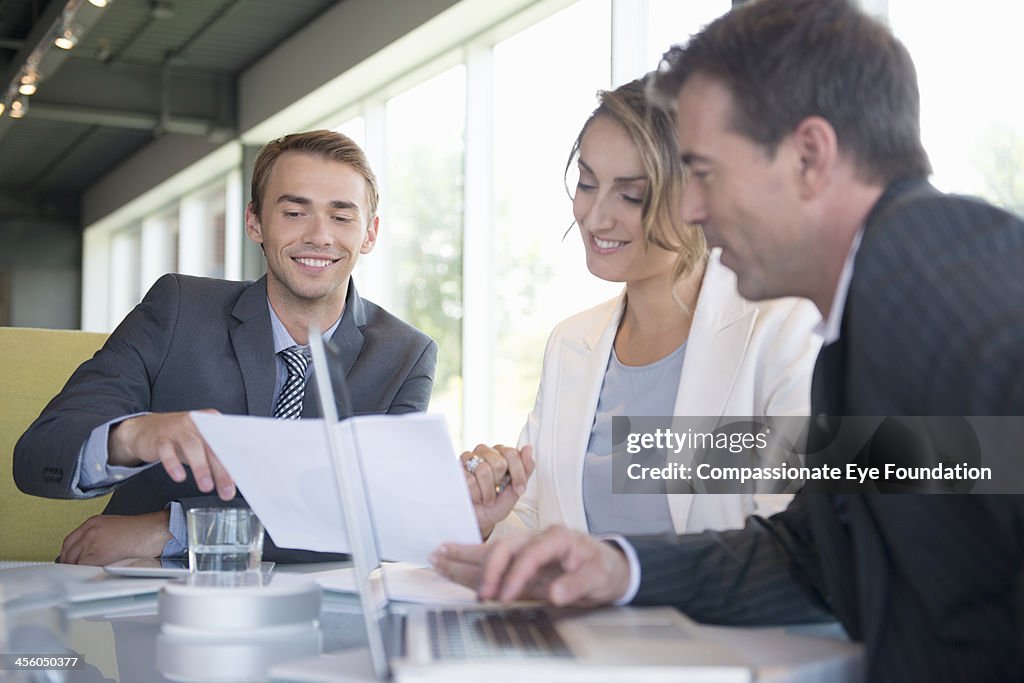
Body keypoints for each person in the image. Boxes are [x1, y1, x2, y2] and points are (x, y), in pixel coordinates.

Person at [432, 0, 1024, 680]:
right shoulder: (869, 307)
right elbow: (815, 552)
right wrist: (620, 564)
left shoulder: (942, 293)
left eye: (705, 172)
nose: (687, 209)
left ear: (809, 156)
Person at [14, 129, 438, 566]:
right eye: (294, 212)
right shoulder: (179, 309)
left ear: (370, 233)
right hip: (150, 608)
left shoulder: (405, 356)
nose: (319, 236)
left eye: (342, 217)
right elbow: (39, 454)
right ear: (254, 221)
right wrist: (134, 434)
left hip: (314, 614)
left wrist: (175, 528)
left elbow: (374, 519)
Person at [461, 77, 820, 542]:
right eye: (587, 184)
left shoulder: (785, 328)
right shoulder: (572, 341)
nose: (595, 216)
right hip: (576, 617)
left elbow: (790, 537)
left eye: (631, 195)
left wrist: (624, 573)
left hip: (717, 617)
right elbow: (537, 517)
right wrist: (488, 518)